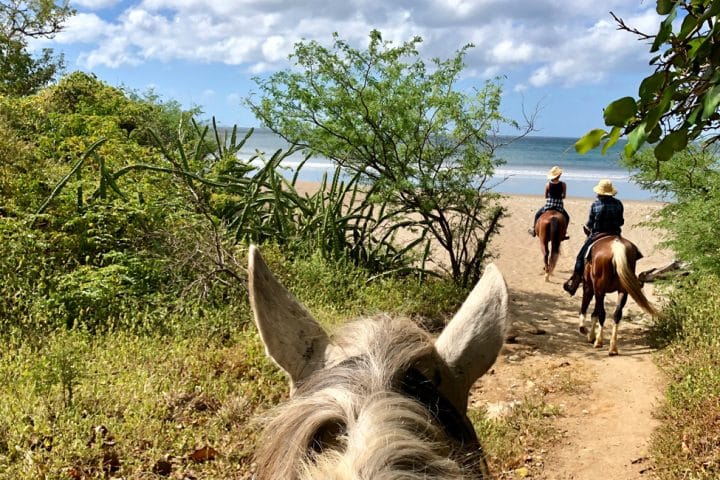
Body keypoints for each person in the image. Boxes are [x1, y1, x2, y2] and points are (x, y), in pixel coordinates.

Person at [562, 179, 624, 296]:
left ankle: (575, 281)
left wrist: (587, 227)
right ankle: (633, 279)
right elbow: (621, 222)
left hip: (598, 234)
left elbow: (590, 223)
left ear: (600, 192)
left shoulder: (596, 204)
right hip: (615, 234)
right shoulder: (618, 203)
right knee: (632, 252)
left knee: (580, 256)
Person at [528, 165, 570, 237]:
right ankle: (565, 232)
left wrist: (551, 197)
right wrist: (558, 197)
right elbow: (564, 196)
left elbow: (546, 196)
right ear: (559, 175)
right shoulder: (563, 184)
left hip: (549, 205)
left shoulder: (547, 184)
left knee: (537, 214)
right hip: (559, 206)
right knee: (567, 217)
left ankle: (534, 229)